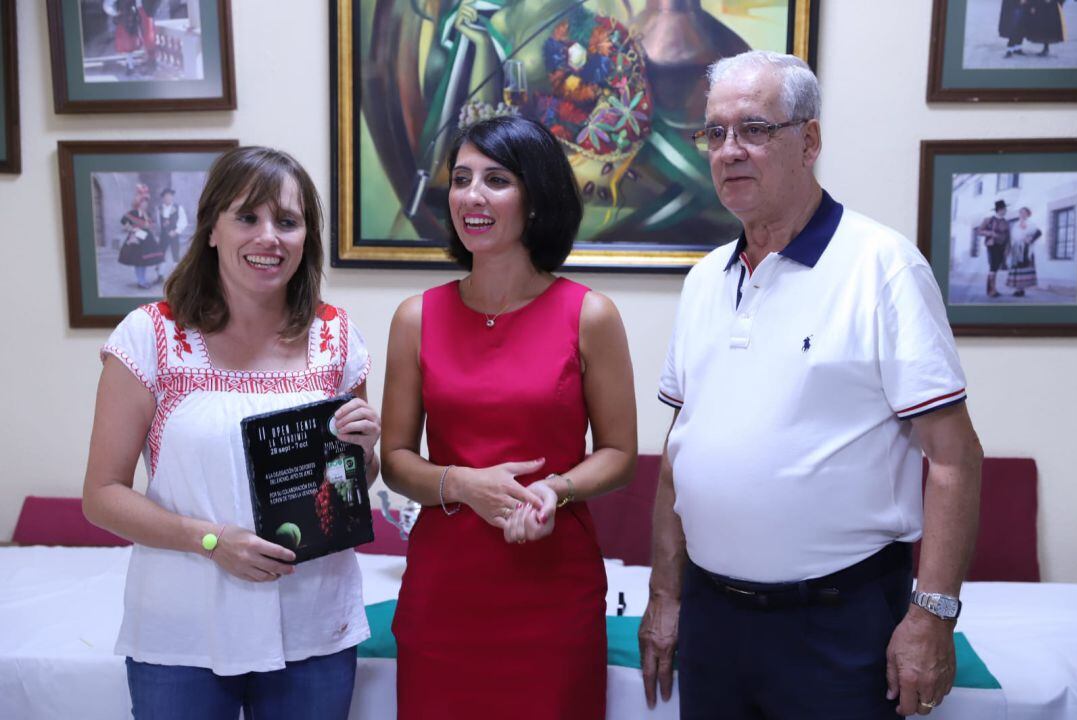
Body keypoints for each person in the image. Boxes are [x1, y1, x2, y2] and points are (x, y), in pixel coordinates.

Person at [638, 51, 983, 719]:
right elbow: (681, 459)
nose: (730, 151)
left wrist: (933, 617)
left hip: (836, 625)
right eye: (715, 133)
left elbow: (953, 459)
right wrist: (666, 595)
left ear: (810, 141)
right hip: (714, 623)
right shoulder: (706, 280)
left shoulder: (881, 267)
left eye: (755, 129)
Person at [83, 146, 381, 719]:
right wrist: (213, 541)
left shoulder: (337, 338)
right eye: (248, 217)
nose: (268, 237)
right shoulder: (151, 336)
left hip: (313, 624)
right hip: (184, 630)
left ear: (306, 238)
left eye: (287, 221)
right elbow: (102, 496)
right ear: (212, 229)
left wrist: (363, 453)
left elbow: (349, 484)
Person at [381, 115, 637, 719]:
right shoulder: (415, 318)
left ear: (537, 196)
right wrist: (462, 484)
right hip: (445, 593)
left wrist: (555, 488)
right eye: (461, 178)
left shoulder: (590, 315)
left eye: (496, 179)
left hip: (552, 590)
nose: (472, 195)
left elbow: (621, 454)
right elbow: (394, 460)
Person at [117, 185, 164, 290]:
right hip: (136, 239)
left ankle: (143, 280)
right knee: (138, 261)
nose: (145, 204)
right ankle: (140, 281)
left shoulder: (147, 214)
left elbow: (150, 225)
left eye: (146, 202)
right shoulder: (132, 213)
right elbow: (123, 221)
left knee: (144, 261)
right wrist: (132, 229)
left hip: (147, 240)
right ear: (139, 202)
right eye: (143, 202)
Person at [977, 199, 1011, 297]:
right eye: (1004, 209)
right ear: (999, 210)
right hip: (992, 245)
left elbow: (1008, 237)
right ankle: (991, 290)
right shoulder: (989, 220)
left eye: (1005, 209)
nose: (1005, 211)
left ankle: (993, 289)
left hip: (1002, 247)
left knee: (996, 268)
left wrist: (1008, 249)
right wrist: (990, 233)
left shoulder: (1006, 222)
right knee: (992, 267)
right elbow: (979, 231)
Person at [1006, 206, 1042, 297]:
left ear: (1028, 214)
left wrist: (1030, 238)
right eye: (1021, 212)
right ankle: (1018, 289)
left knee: (1024, 266)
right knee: (1017, 267)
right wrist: (1011, 248)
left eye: (1024, 212)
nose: (1022, 214)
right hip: (1017, 248)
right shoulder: (1016, 224)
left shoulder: (1031, 224)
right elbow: (1013, 237)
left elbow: (1038, 233)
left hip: (1026, 248)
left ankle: (1022, 289)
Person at [157, 186, 189, 267]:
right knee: (161, 254)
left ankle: (176, 276)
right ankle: (160, 276)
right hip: (163, 236)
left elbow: (183, 221)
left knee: (175, 254)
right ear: (163, 198)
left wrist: (176, 231)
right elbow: (158, 222)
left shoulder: (178, 208)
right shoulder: (159, 209)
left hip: (174, 235)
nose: (168, 198)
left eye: (170, 196)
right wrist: (159, 231)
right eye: (166, 196)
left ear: (172, 197)